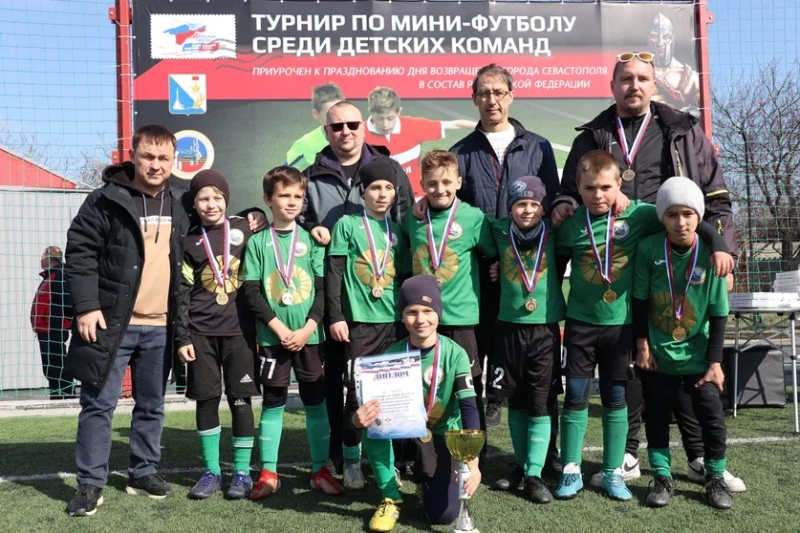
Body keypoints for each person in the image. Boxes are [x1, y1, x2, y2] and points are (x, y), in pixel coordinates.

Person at [550, 52, 745, 492]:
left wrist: (722, 250)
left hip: (679, 260)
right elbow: (568, 193)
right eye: (625, 79)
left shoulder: (682, 129)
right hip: (624, 271)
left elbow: (714, 198)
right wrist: (564, 204)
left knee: (686, 360)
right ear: (612, 85)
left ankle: (698, 457)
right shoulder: (593, 135)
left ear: (654, 85)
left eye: (642, 78)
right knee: (640, 368)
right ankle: (629, 455)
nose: (633, 85)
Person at [64, 124, 266, 517]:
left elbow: (215, 219)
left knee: (152, 404)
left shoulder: (180, 202)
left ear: (174, 161)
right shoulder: (105, 200)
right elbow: (80, 251)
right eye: (148, 157)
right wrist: (87, 306)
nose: (156, 165)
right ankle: (90, 483)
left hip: (162, 325)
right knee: (99, 404)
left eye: (163, 158)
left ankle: (142, 471)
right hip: (111, 323)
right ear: (133, 156)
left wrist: (251, 216)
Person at [429, 63, 561, 438]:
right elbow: (451, 208)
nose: (492, 99)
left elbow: (551, 205)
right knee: (472, 366)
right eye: (484, 93)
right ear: (474, 98)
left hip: (526, 277)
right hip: (479, 275)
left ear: (511, 96)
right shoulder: (460, 151)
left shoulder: (538, 147)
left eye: (499, 92)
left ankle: (542, 457)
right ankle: (473, 452)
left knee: (536, 372)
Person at [301, 100, 414, 472]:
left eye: (352, 124)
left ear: (363, 126)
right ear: (326, 131)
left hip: (385, 310)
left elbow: (407, 226)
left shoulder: (389, 168)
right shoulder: (310, 175)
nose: (345, 132)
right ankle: (342, 452)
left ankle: (397, 454)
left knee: (392, 381)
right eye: (337, 127)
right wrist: (309, 228)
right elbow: (294, 216)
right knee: (341, 381)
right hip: (338, 302)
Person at [241, 166, 344, 499]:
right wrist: (280, 328)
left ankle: (320, 470)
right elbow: (251, 291)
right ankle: (269, 472)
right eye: (283, 195)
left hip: (310, 337)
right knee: (273, 402)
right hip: (274, 338)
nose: (291, 202)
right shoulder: (258, 242)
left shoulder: (312, 240)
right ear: (267, 199)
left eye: (297, 196)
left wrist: (308, 328)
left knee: (316, 402)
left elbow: (323, 289)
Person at [634, 177, 733, 510]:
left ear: (698, 217)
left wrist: (715, 362)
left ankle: (715, 477)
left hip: (699, 357)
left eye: (688, 214)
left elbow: (719, 313)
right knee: (656, 417)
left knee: (713, 418)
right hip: (659, 355)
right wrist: (643, 345)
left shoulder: (711, 254)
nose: (681, 222)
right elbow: (639, 301)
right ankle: (662, 477)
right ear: (662, 217)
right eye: (672, 214)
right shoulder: (648, 249)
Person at [354, 275, 481, 532]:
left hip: (441, 434)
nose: (420, 319)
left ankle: (428, 483)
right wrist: (358, 420)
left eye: (427, 311)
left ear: (438, 314)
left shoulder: (455, 353)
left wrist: (473, 461)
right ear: (402, 317)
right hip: (404, 431)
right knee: (373, 422)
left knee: (442, 515)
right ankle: (390, 497)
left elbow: (469, 407)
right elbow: (375, 409)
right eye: (412, 312)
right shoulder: (392, 355)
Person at [175, 170, 262, 500]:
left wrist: (259, 213)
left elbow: (264, 221)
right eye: (203, 199)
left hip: (240, 332)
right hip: (200, 333)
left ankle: (241, 472)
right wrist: (182, 337)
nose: (211, 204)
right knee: (207, 399)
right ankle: (211, 471)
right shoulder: (188, 241)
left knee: (240, 400)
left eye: (217, 197)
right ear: (194, 204)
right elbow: (182, 293)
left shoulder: (244, 228)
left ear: (227, 200)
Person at [403, 150, 496, 452]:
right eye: (432, 183)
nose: (439, 189)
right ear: (422, 184)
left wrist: (495, 265)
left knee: (466, 387)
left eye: (446, 182)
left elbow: (493, 252)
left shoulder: (473, 218)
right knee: (421, 385)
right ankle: (421, 455)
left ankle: (473, 455)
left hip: (461, 319)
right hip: (422, 320)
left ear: (458, 182)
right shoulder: (413, 218)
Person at [326, 159, 410, 490]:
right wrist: (336, 316)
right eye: (375, 187)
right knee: (356, 395)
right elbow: (334, 274)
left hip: (393, 324)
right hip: (359, 324)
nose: (382, 194)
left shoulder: (398, 232)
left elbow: (404, 279)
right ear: (363, 192)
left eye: (388, 188)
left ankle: (387, 464)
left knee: (392, 395)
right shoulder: (347, 225)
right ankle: (350, 462)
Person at [486, 176, 565, 504]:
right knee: (516, 400)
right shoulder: (497, 230)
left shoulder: (556, 233)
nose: (528, 210)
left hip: (544, 328)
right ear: (510, 208)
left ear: (543, 208)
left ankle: (534, 472)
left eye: (534, 204)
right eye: (521, 204)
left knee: (540, 401)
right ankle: (520, 465)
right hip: (508, 327)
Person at [363, 86, 475, 198]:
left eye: (390, 118)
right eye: (380, 118)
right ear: (370, 112)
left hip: (415, 196)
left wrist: (483, 127)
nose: (385, 124)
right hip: (378, 197)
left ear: (398, 112)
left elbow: (455, 124)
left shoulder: (413, 126)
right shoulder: (360, 134)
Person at [30, 245, 74, 399]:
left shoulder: (59, 276)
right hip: (45, 329)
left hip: (54, 328)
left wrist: (63, 322)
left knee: (57, 363)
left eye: (43, 256)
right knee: (50, 365)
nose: (40, 259)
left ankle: (66, 395)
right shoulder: (50, 276)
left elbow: (67, 302)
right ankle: (56, 395)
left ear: (49, 258)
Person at [285, 83, 344, 171]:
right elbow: (285, 176)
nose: (336, 119)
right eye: (328, 115)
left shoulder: (359, 134)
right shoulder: (305, 145)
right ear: (316, 114)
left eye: (339, 112)